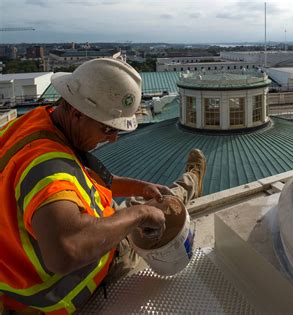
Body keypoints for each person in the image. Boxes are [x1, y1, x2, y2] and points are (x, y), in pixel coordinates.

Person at [0, 58, 206, 314]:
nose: (113, 138)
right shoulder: (47, 168)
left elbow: (85, 178)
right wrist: (138, 214)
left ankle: (189, 182)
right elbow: (65, 250)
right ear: (77, 113)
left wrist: (139, 187)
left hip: (22, 280)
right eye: (107, 129)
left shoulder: (38, 124)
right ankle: (191, 181)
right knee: (160, 212)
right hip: (78, 280)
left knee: (152, 199)